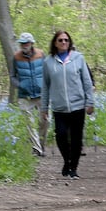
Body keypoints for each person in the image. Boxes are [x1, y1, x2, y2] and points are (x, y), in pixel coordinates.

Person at [41, 30, 95, 180]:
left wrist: (90, 102)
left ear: (70, 42)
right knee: (61, 136)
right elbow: (45, 86)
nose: (64, 42)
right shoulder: (48, 62)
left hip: (78, 105)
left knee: (77, 138)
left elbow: (87, 81)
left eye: (66, 40)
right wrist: (44, 107)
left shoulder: (78, 58)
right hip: (59, 108)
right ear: (55, 43)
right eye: (60, 40)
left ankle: (74, 168)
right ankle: (67, 160)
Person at [11, 32, 48, 156]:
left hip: (41, 94)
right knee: (30, 124)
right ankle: (37, 149)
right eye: (22, 43)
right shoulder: (16, 57)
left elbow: (48, 71)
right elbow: (12, 76)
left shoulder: (41, 54)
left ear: (31, 43)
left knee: (45, 121)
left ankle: (41, 145)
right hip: (24, 96)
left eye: (26, 43)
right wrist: (20, 85)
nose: (24, 45)